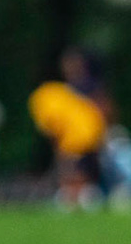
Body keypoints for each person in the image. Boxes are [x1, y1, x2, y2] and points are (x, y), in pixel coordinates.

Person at [27, 77, 107, 208]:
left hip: (76, 136)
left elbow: (52, 127)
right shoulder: (58, 93)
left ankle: (74, 197)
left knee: (70, 167)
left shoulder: (42, 99)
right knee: (80, 167)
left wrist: (57, 148)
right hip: (94, 130)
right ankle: (79, 196)